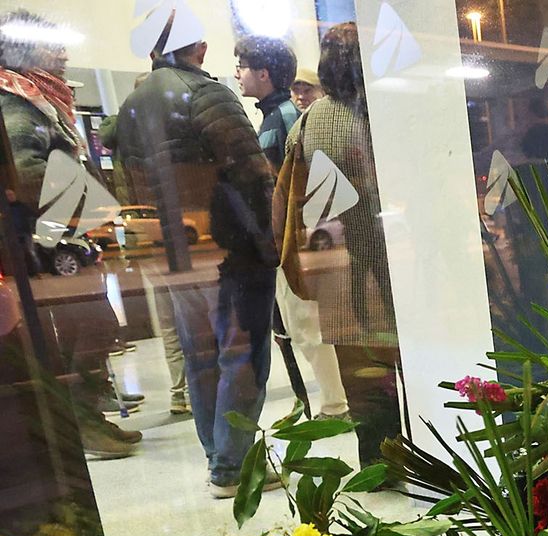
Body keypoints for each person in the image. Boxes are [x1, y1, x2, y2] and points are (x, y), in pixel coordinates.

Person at [114, 28, 280, 496]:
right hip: (229, 249)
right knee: (241, 355)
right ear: (199, 47)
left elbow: (126, 184)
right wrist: (270, 244)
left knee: (200, 356)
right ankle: (231, 468)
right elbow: (252, 176)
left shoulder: (131, 105)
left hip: (173, 250)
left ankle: (219, 459)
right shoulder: (208, 94)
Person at [0, 10, 142, 459]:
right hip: (46, 242)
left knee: (89, 323)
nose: (63, 53)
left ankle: (86, 417)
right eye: (51, 45)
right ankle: (80, 420)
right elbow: (26, 173)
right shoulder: (16, 101)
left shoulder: (33, 97)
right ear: (24, 52)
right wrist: (87, 201)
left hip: (55, 237)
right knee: (89, 322)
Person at [275, 23, 401, 470]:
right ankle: (428, 455)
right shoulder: (388, 112)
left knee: (361, 370)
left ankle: (379, 464)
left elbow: (288, 200)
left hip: (334, 259)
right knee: (409, 356)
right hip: (396, 255)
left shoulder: (308, 121)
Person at [235, 35, 347, 419]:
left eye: (243, 67)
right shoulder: (276, 117)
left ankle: (336, 403)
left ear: (263, 73)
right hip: (286, 239)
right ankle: (332, 400)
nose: (238, 74)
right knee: (302, 327)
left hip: (293, 240)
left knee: (308, 325)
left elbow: (294, 187)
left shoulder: (285, 120)